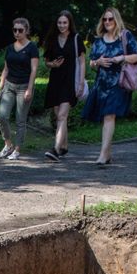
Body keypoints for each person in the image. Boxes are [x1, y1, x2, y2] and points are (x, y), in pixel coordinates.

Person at [81, 8, 137, 167]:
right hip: (101, 84)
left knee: (109, 116)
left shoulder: (125, 36)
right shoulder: (99, 40)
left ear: (116, 20)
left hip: (119, 82)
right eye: (105, 20)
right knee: (106, 117)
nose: (107, 22)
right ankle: (107, 154)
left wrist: (121, 57)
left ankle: (102, 155)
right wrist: (97, 62)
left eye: (110, 19)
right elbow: (92, 62)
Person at [42, 10, 86, 162]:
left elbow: (81, 61)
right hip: (55, 81)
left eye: (65, 23)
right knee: (59, 116)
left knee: (62, 116)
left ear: (70, 23)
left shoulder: (76, 39)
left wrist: (81, 82)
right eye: (59, 22)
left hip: (70, 81)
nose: (62, 25)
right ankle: (64, 146)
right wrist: (51, 64)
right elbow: (46, 61)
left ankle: (55, 149)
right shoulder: (52, 39)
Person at [0, 17, 40, 160]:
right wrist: (1, 86)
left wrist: (30, 89)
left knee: (21, 119)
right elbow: (6, 69)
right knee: (2, 116)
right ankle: (8, 145)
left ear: (26, 31)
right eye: (15, 30)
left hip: (24, 86)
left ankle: (17, 149)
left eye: (20, 30)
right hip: (9, 85)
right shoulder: (10, 48)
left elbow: (34, 70)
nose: (17, 33)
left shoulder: (32, 48)